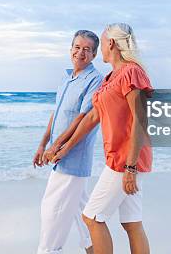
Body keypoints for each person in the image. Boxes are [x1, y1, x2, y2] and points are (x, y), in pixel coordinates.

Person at [50, 23, 153, 254]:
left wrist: (130, 166)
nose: (101, 51)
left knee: (92, 217)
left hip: (125, 160)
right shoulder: (110, 78)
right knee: (131, 222)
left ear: (111, 44)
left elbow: (141, 120)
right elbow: (93, 116)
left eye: (103, 42)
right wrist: (62, 144)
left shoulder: (131, 72)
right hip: (121, 159)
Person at [33, 30, 104, 254]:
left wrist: (57, 147)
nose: (80, 52)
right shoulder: (66, 78)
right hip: (57, 153)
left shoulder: (95, 80)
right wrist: (43, 144)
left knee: (52, 212)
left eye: (86, 49)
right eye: (77, 47)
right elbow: (57, 113)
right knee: (83, 214)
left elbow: (83, 117)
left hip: (72, 156)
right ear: (70, 49)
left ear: (94, 54)